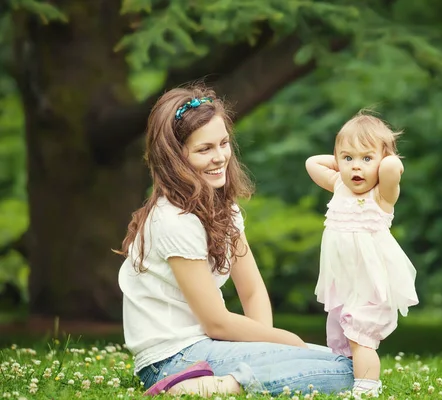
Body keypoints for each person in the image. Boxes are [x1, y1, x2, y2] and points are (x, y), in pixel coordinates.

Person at [117, 83, 354, 396]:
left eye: (223, 143)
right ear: (175, 157)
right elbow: (216, 322)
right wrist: (287, 342)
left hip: (207, 347)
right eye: (205, 149)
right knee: (346, 372)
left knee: (342, 362)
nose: (220, 157)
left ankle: (236, 377)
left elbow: (252, 290)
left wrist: (270, 345)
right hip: (173, 358)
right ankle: (223, 385)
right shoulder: (174, 220)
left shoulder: (222, 207)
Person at [305, 111, 419, 397]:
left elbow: (393, 166)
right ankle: (346, 378)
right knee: (342, 336)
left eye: (366, 159)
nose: (356, 167)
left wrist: (382, 158)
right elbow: (311, 163)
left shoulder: (382, 195)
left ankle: (367, 388)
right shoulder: (339, 185)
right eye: (348, 158)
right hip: (344, 282)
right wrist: (344, 162)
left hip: (370, 283)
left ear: (380, 162)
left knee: (361, 337)